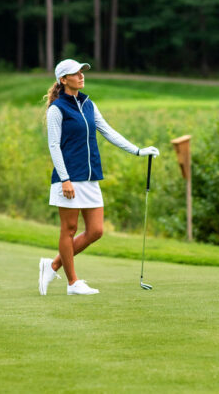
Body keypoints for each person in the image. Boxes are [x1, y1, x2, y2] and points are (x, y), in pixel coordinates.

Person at [38, 59, 159, 296]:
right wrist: (65, 179)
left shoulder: (88, 104)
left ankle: (52, 265)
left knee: (96, 231)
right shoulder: (56, 109)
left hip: (91, 176)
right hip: (69, 178)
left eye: (82, 72)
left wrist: (138, 150)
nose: (81, 76)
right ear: (63, 80)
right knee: (69, 229)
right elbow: (54, 146)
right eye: (76, 73)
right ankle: (73, 283)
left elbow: (108, 131)